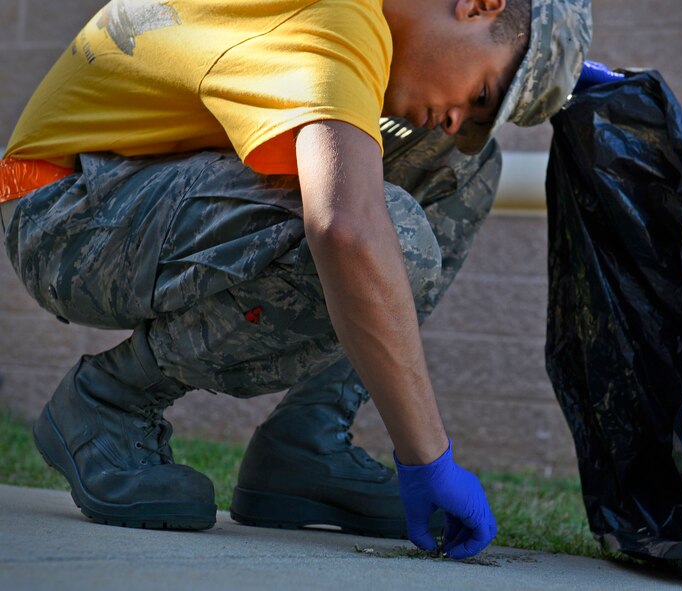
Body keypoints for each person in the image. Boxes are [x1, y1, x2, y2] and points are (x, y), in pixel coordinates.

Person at [0, 0, 591, 559]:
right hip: (60, 208)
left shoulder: (362, 30)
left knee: (461, 164)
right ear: (478, 3)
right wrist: (428, 460)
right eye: (482, 93)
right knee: (386, 237)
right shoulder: (341, 18)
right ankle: (110, 398)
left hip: (131, 184)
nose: (460, 116)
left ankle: (305, 442)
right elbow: (345, 231)